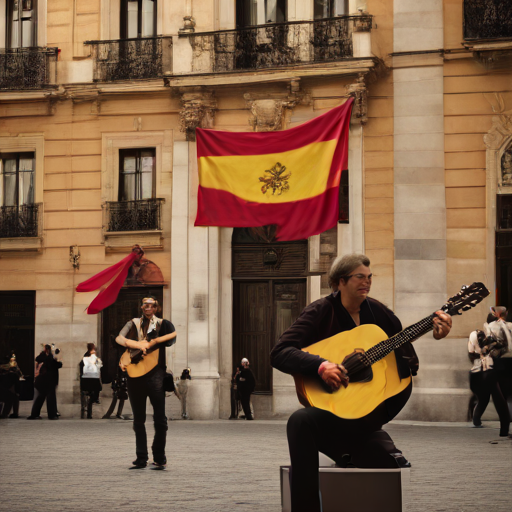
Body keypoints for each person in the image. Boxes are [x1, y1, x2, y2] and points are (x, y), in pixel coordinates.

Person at [270, 253, 452, 512]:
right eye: (359, 277)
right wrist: (321, 365)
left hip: (371, 411)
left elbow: (403, 350)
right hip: (332, 410)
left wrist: (436, 332)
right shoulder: (321, 311)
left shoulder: (377, 311)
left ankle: (354, 451)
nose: (366, 283)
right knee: (300, 421)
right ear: (340, 281)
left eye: (369, 278)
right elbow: (280, 352)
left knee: (389, 463)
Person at [116, 296, 177, 469]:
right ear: (141, 306)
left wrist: (155, 341)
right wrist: (136, 344)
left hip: (156, 376)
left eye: (151, 305)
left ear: (156, 308)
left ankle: (159, 457)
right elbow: (119, 339)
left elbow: (171, 340)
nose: (147, 307)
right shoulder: (133, 323)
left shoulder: (163, 324)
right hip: (134, 375)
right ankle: (141, 457)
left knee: (160, 419)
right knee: (138, 420)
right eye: (145, 304)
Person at [468, 329, 510, 436]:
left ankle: (477, 420)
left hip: (484, 372)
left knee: (485, 399)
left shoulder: (485, 337)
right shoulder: (477, 337)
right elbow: (472, 355)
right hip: (482, 373)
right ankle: (477, 420)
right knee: (487, 399)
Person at [28, 345, 62, 420]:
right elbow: (59, 365)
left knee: (40, 398)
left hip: (42, 381)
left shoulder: (46, 359)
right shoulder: (49, 359)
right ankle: (52, 415)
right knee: (50, 398)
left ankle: (35, 414)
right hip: (49, 381)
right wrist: (56, 359)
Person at [79, 343, 103, 419]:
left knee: (92, 394)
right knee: (96, 390)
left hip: (86, 379)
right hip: (91, 378)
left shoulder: (86, 356)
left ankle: (89, 410)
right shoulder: (91, 357)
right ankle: (93, 402)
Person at [0, 354, 23, 418]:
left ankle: (5, 414)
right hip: (9, 391)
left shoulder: (9, 373)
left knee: (11, 398)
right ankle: (6, 414)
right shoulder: (13, 374)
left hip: (6, 390)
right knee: (12, 398)